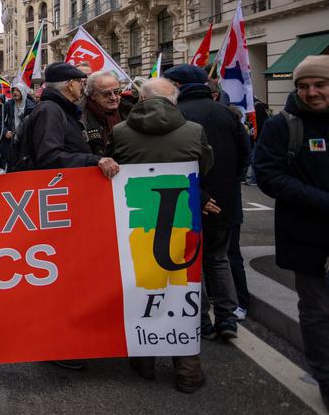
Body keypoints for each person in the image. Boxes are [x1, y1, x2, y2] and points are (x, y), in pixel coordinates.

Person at [110, 78, 215, 393]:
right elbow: (205, 166)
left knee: (143, 286)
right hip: (182, 222)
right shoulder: (193, 131)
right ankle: (188, 371)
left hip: (137, 221)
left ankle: (144, 359)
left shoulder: (120, 132)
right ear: (173, 101)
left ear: (141, 99)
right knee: (183, 290)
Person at [13, 62, 119, 371]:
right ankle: (57, 343)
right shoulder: (50, 112)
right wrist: (92, 159)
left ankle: (63, 340)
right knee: (58, 283)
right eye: (81, 81)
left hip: (60, 208)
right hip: (51, 209)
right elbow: (49, 157)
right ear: (69, 85)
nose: (84, 86)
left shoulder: (59, 111)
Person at [255, 55, 329, 410]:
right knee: (316, 311)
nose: (311, 92)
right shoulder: (282, 125)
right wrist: (320, 200)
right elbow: (268, 176)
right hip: (305, 234)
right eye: (303, 86)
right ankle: (326, 379)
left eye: (319, 85)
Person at [164, 64, 248, 340]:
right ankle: (227, 318)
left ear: (178, 85)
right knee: (218, 259)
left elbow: (171, 162)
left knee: (192, 263)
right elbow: (243, 160)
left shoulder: (176, 114)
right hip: (224, 201)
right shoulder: (228, 113)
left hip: (188, 199)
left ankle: (200, 320)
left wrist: (199, 195)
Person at [82, 71, 126, 157]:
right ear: (92, 95)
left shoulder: (130, 111)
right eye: (106, 94)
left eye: (117, 92)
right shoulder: (80, 117)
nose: (113, 97)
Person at [0, 84, 35, 168]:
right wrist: (5, 131)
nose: (15, 92)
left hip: (26, 140)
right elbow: (0, 122)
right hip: (12, 140)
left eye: (17, 90)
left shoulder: (32, 106)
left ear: (22, 92)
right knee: (12, 164)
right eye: (13, 90)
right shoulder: (8, 105)